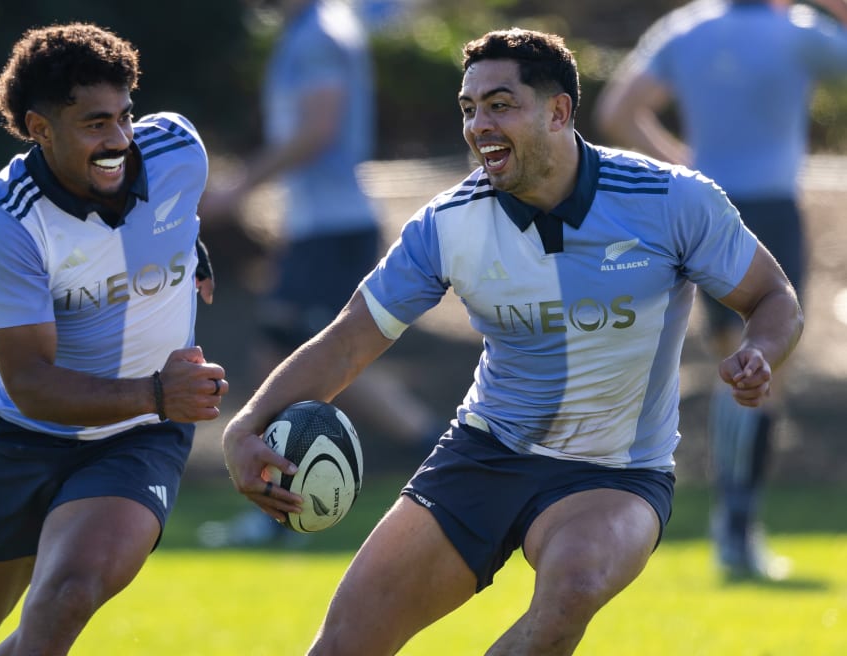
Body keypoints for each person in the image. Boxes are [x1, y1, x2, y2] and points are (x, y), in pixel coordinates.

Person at [221, 27, 803, 655]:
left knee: (575, 583)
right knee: (344, 644)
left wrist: (759, 352)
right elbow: (345, 345)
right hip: (483, 454)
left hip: (617, 473)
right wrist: (247, 424)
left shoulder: (672, 200)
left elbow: (774, 298)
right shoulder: (448, 223)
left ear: (559, 111)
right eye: (469, 108)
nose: (478, 125)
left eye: (500, 104)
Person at [0, 23, 228, 656]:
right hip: (21, 438)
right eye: (95, 124)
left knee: (66, 595)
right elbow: (31, 385)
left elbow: (172, 215)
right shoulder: (7, 222)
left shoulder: (179, 149)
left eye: (125, 116)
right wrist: (157, 392)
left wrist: (188, 248)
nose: (120, 139)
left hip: (140, 437)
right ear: (40, 128)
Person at [594, 0, 847, 580]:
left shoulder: (687, 29)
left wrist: (683, 169)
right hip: (771, 211)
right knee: (763, 369)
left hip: (703, 210)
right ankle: (736, 527)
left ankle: (731, 526)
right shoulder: (799, 34)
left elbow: (619, 110)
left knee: (732, 362)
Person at [196, 0, 442, 548]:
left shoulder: (317, 36)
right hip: (319, 229)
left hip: (334, 229)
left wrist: (241, 187)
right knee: (311, 362)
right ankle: (440, 456)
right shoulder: (319, 27)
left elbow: (319, 128)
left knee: (306, 361)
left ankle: (282, 512)